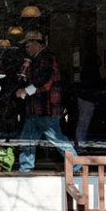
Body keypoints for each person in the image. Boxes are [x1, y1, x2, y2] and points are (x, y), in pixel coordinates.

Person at [14, 30, 78, 172]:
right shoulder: (39, 59)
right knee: (28, 139)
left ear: (36, 43)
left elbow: (45, 83)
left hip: (45, 108)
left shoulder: (46, 59)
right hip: (37, 108)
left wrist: (25, 91)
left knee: (55, 138)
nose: (26, 48)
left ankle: (76, 164)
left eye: (28, 45)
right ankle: (25, 168)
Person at [75, 53, 102, 154]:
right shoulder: (92, 71)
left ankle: (81, 145)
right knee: (84, 123)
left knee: (83, 123)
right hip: (87, 99)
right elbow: (98, 84)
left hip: (84, 98)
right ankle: (80, 145)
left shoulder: (86, 70)